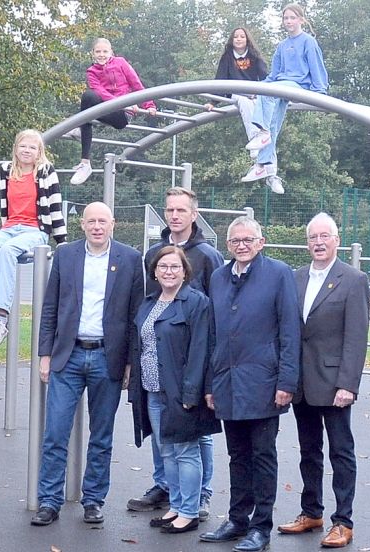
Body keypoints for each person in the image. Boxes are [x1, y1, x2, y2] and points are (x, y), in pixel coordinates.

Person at [30, 202, 143, 527]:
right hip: (68, 355)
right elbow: (50, 306)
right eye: (91, 221)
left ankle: (93, 500)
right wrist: (45, 354)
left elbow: (136, 315)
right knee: (55, 434)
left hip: (108, 357)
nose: (97, 226)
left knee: (102, 435)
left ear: (113, 224)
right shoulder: (65, 255)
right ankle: (49, 501)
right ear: (82, 224)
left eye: (102, 221)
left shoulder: (129, 259)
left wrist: (130, 365)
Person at [200, 216, 300, 552]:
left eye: (248, 240)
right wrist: (211, 384)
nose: (241, 246)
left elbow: (289, 330)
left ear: (261, 242)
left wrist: (286, 381)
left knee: (262, 455)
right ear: (227, 245)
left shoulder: (278, 273)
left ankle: (261, 527)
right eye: (235, 241)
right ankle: (237, 519)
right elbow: (213, 333)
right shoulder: (218, 277)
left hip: (264, 383)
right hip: (227, 382)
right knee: (236, 454)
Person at [128, 187, 224, 518]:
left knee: (197, 437)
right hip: (158, 365)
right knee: (163, 436)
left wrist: (206, 375)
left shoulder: (208, 256)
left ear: (193, 214)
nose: (174, 215)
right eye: (170, 209)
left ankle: (201, 493)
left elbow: (214, 313)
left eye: (181, 210)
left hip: (188, 365)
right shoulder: (154, 253)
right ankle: (168, 488)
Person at [277, 213, 368, 548]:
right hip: (302, 383)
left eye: (324, 236)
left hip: (334, 385)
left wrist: (348, 385)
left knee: (341, 452)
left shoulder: (353, 279)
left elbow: (356, 338)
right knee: (308, 450)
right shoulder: (295, 277)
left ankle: (343, 521)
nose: (318, 242)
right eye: (313, 237)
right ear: (307, 242)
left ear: (337, 240)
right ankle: (311, 512)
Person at [0, 129, 67, 348]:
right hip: (10, 227)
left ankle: (2, 318)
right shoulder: (6, 170)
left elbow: (54, 205)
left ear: (39, 151)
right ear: (15, 148)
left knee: (8, 251)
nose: (27, 151)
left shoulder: (45, 171)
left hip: (35, 230)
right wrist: (5, 228)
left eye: (32, 147)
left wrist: (62, 241)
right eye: (23, 146)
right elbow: (5, 203)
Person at [242, 3, 328, 192]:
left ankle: (262, 134)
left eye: (292, 18)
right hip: (280, 85)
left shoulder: (308, 41)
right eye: (285, 18)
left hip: (298, 85)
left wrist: (320, 93)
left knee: (269, 93)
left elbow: (316, 66)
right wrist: (258, 87)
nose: (288, 21)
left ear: (301, 20)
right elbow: (274, 74)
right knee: (272, 121)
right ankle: (264, 166)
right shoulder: (282, 45)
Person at [67, 38, 156, 186]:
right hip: (108, 107)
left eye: (105, 51)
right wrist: (117, 103)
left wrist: (149, 105)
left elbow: (136, 84)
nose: (101, 55)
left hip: (122, 115)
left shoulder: (120, 63)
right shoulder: (92, 72)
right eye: (98, 51)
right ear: (92, 53)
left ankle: (81, 129)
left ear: (111, 52)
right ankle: (85, 162)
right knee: (88, 97)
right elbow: (100, 92)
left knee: (84, 118)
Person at [202, 28, 280, 194]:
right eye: (235, 37)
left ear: (247, 39)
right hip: (237, 94)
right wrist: (213, 101)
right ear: (232, 40)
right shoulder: (227, 57)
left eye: (242, 36)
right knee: (244, 102)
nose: (238, 39)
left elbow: (265, 77)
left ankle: (271, 173)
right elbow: (220, 79)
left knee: (269, 124)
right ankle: (254, 140)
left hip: (255, 94)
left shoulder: (254, 56)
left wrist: (267, 94)